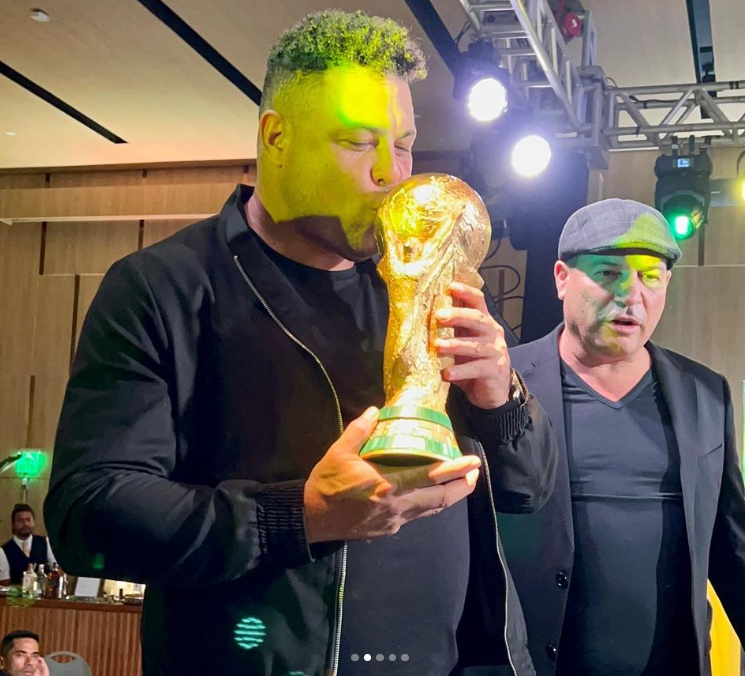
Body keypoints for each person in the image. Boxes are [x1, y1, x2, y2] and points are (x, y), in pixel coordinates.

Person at [44, 10, 556, 676]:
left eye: (402, 144)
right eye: (355, 141)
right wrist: (302, 516)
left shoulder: (427, 273)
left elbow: (526, 490)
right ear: (275, 137)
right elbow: (89, 517)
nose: (388, 173)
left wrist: (500, 398)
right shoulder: (165, 286)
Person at [501, 198, 745, 676]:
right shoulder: (500, 385)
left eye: (649, 276)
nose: (631, 295)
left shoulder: (705, 393)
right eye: (608, 273)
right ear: (561, 278)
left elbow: (730, 541)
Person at [0, 505, 56, 586]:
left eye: (28, 520)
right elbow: (5, 581)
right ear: (13, 524)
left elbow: (55, 569)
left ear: (33, 522)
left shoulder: (45, 542)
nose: (25, 524)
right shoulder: (4, 550)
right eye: (20, 521)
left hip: (43, 595)